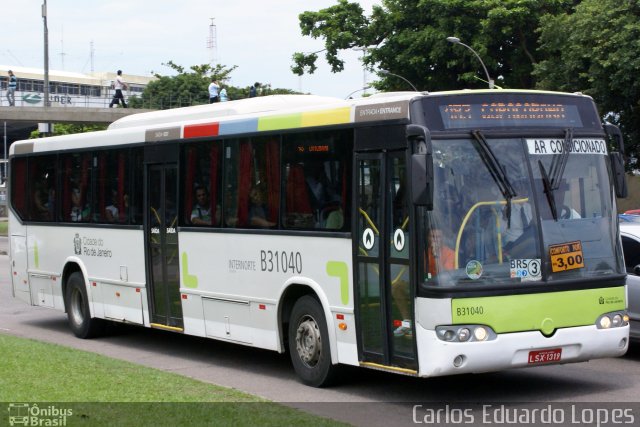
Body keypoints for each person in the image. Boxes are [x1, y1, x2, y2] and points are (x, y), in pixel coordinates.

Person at [392, 228, 455, 337]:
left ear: (443, 239)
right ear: (428, 239)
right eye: (432, 237)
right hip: (425, 283)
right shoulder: (425, 252)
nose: (435, 240)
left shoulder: (450, 253)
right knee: (396, 287)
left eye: (438, 237)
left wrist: (436, 256)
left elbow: (445, 276)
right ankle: (407, 321)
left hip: (441, 286)